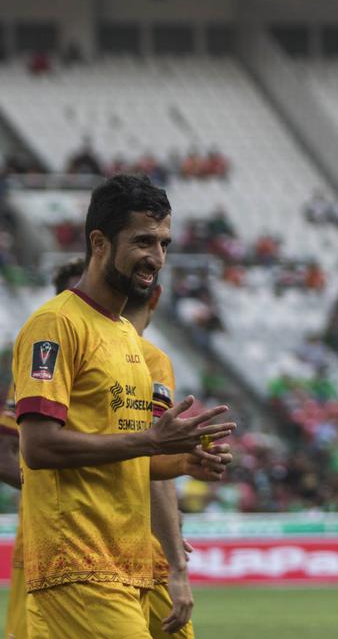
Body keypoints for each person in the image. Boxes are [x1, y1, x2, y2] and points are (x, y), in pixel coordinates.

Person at [12, 175, 236, 638]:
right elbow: (37, 447)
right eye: (142, 241)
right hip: (76, 563)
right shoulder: (55, 324)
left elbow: (130, 454)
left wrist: (184, 459)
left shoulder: (123, 336)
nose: (157, 257)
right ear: (99, 242)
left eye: (164, 243)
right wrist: (151, 440)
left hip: (126, 565)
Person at [124, 283, 233, 639]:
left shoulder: (60, 343)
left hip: (115, 541)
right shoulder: (148, 358)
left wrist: (183, 462)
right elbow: (147, 453)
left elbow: (144, 456)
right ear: (155, 297)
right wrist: (177, 564)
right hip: (121, 545)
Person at [3, 257, 85, 639]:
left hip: (121, 531)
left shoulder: (136, 358)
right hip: (47, 533)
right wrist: (62, 485)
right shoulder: (41, 356)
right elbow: (6, 455)